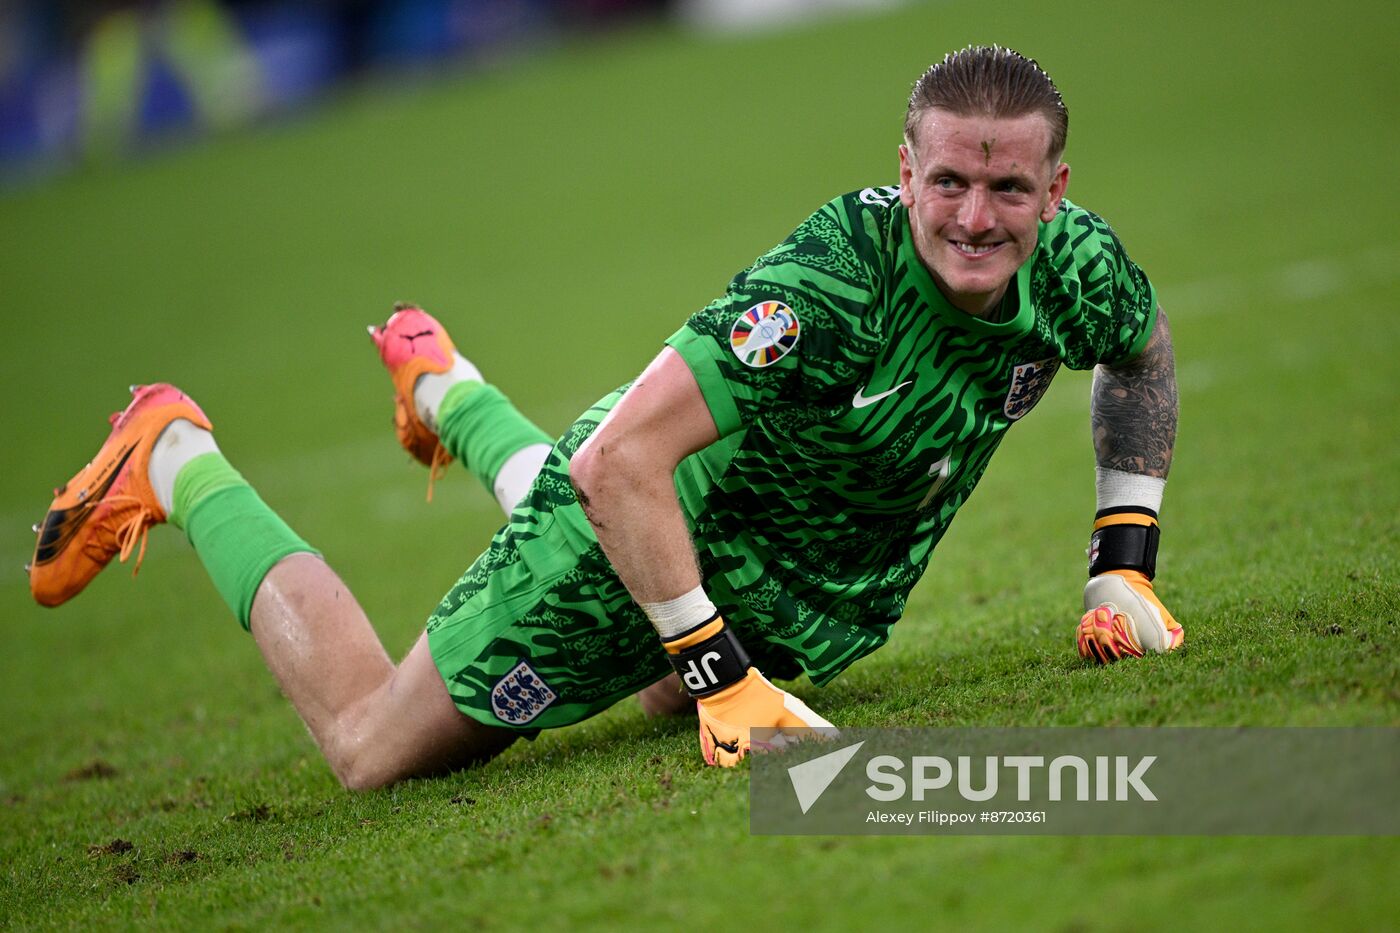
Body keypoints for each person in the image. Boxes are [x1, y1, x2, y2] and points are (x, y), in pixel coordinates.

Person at [27, 46, 1181, 790]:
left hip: (779, 582)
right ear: (905, 169)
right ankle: (175, 456)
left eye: (1009, 191)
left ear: (1057, 191)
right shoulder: (827, 286)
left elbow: (1141, 354)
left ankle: (445, 386)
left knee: (644, 677)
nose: (975, 219)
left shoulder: (1075, 267)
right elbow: (621, 463)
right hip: (637, 514)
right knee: (372, 748)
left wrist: (1119, 569)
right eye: (948, 185)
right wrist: (721, 676)